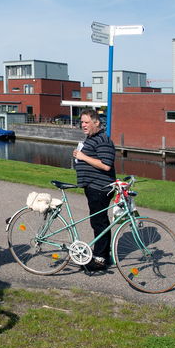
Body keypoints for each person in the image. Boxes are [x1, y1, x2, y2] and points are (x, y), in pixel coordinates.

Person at [72, 108, 116, 272]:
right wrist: (79, 156)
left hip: (100, 187)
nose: (83, 125)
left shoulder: (103, 140)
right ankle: (102, 254)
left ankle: (100, 259)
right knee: (98, 222)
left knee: (100, 223)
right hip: (93, 187)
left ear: (96, 122)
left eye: (86, 122)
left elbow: (106, 165)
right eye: (81, 122)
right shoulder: (91, 138)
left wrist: (83, 157)